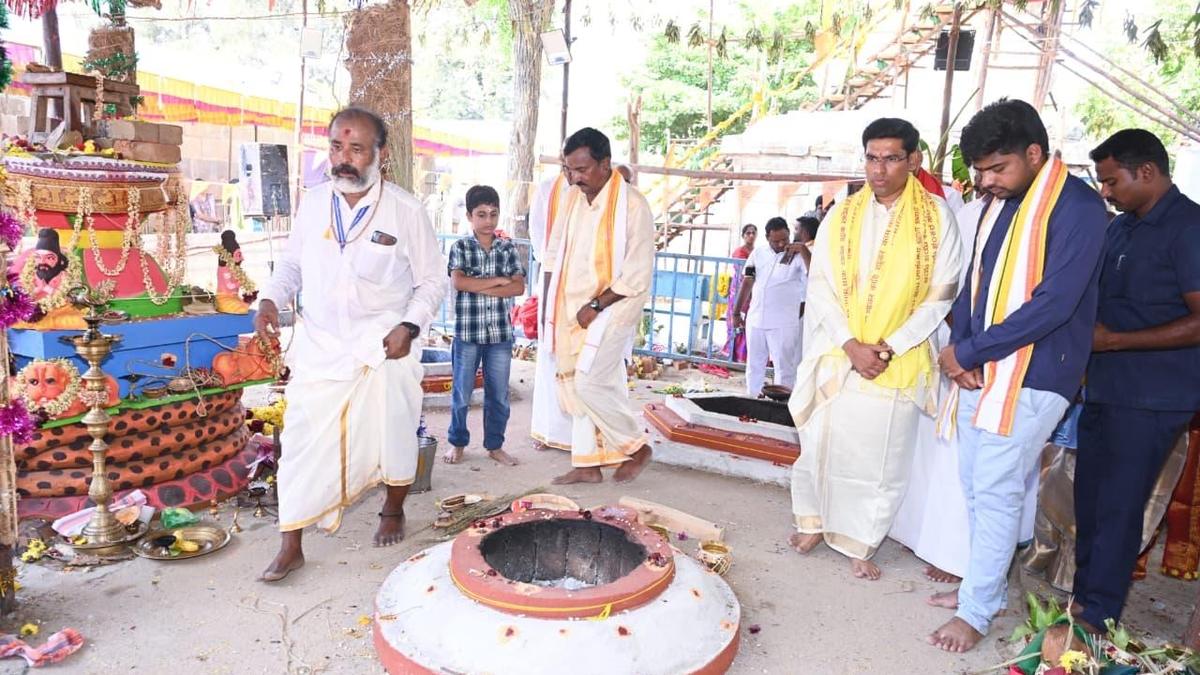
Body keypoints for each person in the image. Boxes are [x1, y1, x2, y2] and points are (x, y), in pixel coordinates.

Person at [928, 99, 1107, 652]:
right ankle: (984, 589)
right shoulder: (1004, 202)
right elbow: (977, 286)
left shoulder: (1075, 206)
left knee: (998, 490)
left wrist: (972, 350)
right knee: (978, 488)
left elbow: (1054, 303)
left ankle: (976, 611)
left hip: (1039, 371)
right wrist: (966, 350)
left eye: (997, 168)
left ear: (1035, 153)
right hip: (988, 367)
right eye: (980, 171)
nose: (986, 181)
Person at [255, 106, 447, 582]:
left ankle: (393, 508)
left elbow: (431, 281)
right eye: (337, 147)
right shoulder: (314, 202)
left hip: (385, 345)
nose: (344, 158)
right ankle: (291, 543)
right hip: (321, 344)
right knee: (299, 438)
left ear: (379, 154)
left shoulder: (405, 209)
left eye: (357, 148)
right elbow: (292, 267)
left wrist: (410, 325)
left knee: (393, 428)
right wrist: (267, 301)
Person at [787, 117, 963, 580]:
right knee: (822, 443)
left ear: (914, 160)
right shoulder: (841, 215)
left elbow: (941, 294)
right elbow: (820, 283)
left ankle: (860, 540)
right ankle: (813, 520)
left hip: (895, 359)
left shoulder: (937, 217)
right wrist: (850, 344)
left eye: (890, 158)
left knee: (879, 458)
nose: (878, 169)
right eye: (871, 157)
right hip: (839, 351)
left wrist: (888, 346)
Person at [1071, 129, 1200, 632]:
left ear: (1146, 172)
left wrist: (1118, 342)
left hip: (1153, 394)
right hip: (1104, 386)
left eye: (1112, 181)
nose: (1106, 191)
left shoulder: (1188, 227)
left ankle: (1098, 615)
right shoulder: (1123, 227)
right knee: (1091, 501)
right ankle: (1083, 596)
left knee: (1120, 505)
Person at [543, 127, 655, 485]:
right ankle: (587, 464)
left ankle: (636, 447)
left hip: (614, 306)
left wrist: (596, 304)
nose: (575, 178)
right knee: (577, 380)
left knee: (590, 382)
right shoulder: (574, 197)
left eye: (582, 170)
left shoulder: (633, 205)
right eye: (569, 170)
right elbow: (555, 249)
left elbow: (637, 272)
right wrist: (547, 302)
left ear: (605, 164)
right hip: (571, 305)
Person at [443, 185, 525, 466]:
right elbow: (459, 282)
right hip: (468, 333)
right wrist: (497, 281)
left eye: (493, 214)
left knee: (498, 396)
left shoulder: (507, 248)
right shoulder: (460, 247)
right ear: (469, 216)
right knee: (462, 394)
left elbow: (517, 288)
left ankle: (495, 445)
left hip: (500, 335)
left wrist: (480, 285)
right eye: (481, 215)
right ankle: (457, 443)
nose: (488, 221)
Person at [731, 218, 807, 396]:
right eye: (776, 241)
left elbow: (814, 274)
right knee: (754, 365)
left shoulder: (798, 256)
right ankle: (752, 399)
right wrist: (736, 312)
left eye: (785, 239)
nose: (781, 244)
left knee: (784, 368)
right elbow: (747, 281)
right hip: (756, 319)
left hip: (784, 322)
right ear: (767, 238)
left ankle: (781, 406)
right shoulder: (758, 253)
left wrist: (803, 250)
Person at [528, 168, 573, 452]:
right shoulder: (548, 189)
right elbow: (538, 236)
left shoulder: (597, 190)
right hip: (552, 278)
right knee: (551, 357)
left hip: (583, 285)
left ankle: (576, 435)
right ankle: (547, 431)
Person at [724, 223, 757, 363]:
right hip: (739, 289)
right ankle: (732, 354)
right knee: (736, 320)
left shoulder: (756, 251)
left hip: (751, 290)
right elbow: (743, 273)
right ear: (743, 235)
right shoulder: (740, 252)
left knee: (748, 321)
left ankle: (743, 356)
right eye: (748, 233)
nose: (751, 235)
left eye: (753, 233)